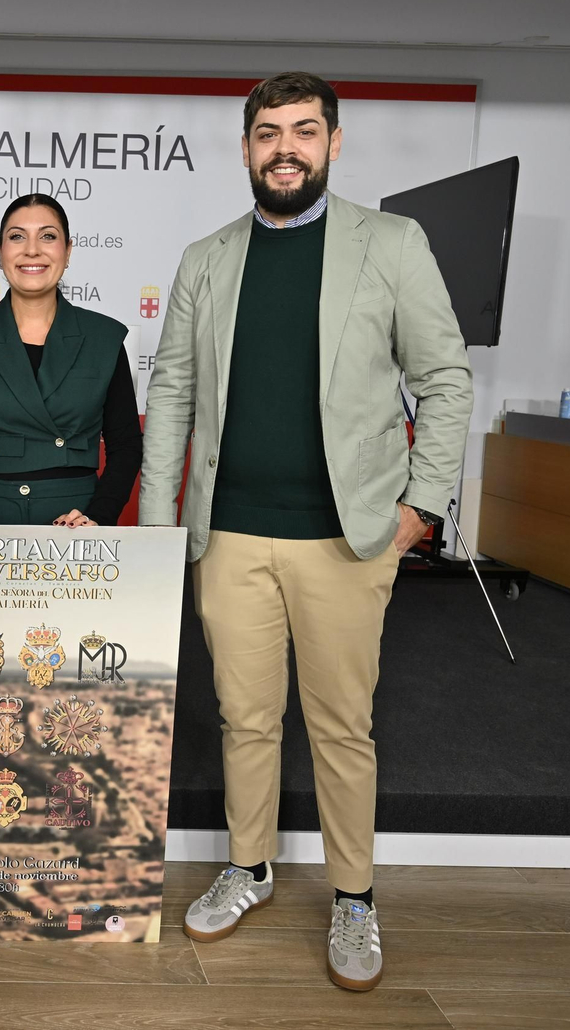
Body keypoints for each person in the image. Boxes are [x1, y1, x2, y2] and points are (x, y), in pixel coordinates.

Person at [139, 72, 473, 990]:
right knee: (245, 718)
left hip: (348, 540)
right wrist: (166, 530)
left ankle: (354, 898)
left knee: (340, 725)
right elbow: (170, 393)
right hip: (231, 537)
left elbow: (446, 380)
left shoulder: (393, 244)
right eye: (268, 133)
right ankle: (248, 868)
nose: (285, 147)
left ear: (333, 142)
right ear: (245, 148)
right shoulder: (205, 257)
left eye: (303, 131)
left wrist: (422, 510)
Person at [0, 195, 140, 529]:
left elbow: (125, 446)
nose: (32, 250)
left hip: (73, 528)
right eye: (17, 236)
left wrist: (99, 516)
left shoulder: (104, 339)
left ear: (68, 251)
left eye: (48, 236)